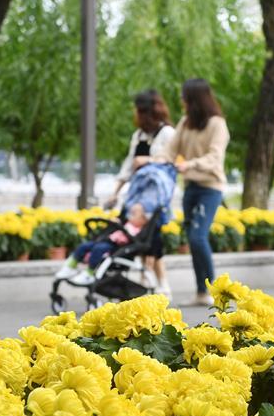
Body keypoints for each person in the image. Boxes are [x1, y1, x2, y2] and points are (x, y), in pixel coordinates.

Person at [155, 78, 229, 306]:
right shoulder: (185, 123)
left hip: (210, 187)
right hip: (190, 188)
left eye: (184, 98)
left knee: (198, 237)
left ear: (194, 99)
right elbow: (170, 150)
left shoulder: (217, 124)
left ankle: (213, 290)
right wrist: (154, 162)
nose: (182, 102)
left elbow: (215, 156)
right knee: (192, 239)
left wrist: (190, 164)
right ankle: (201, 292)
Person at [106, 90, 176, 298]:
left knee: (151, 239)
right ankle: (149, 281)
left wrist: (148, 161)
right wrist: (115, 193)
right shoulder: (138, 136)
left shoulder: (167, 134)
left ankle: (160, 283)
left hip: (155, 199)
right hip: (136, 197)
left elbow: (174, 161)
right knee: (133, 236)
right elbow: (128, 165)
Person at [58, 203, 150, 285]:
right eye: (130, 213)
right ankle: (70, 266)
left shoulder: (138, 229)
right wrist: (117, 223)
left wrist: (123, 229)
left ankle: (89, 273)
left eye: (134, 214)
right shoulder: (127, 223)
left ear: (143, 219)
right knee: (84, 246)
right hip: (107, 240)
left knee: (98, 249)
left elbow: (130, 238)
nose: (129, 216)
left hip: (116, 246)